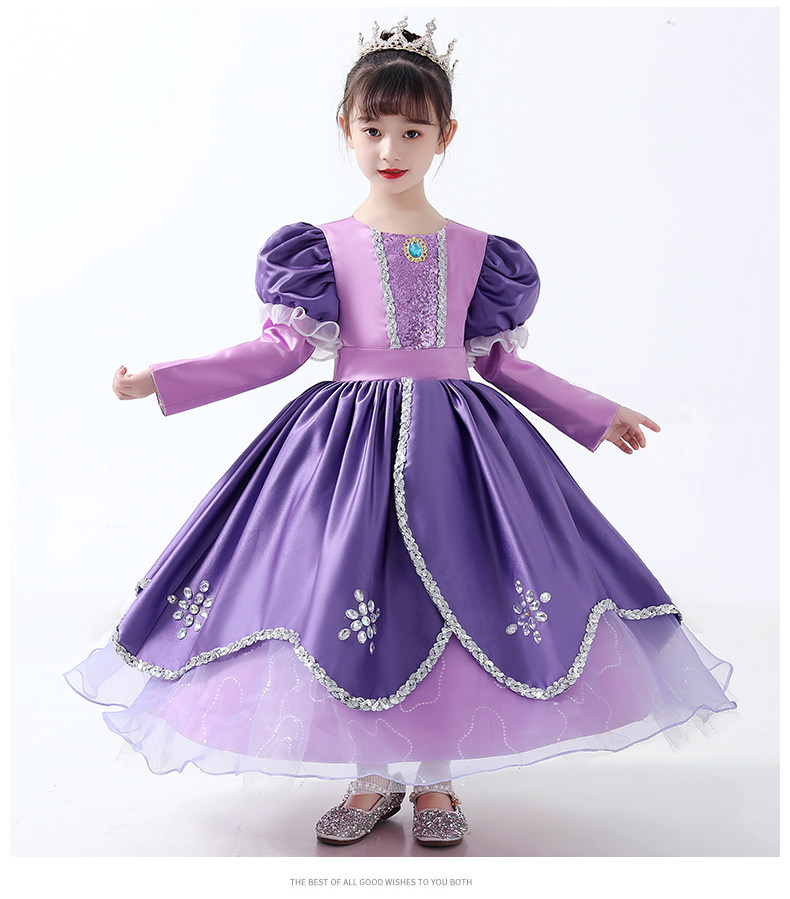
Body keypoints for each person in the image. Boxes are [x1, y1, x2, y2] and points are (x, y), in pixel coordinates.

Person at [64, 17, 736, 849]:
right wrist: (163, 378)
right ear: (344, 129)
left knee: (458, 591)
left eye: (413, 130)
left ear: (446, 135)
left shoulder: (481, 253)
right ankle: (373, 773)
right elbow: (277, 351)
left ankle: (438, 778)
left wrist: (597, 414)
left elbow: (502, 363)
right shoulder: (321, 249)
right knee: (358, 592)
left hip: (461, 451)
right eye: (373, 127)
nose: (391, 147)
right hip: (347, 453)